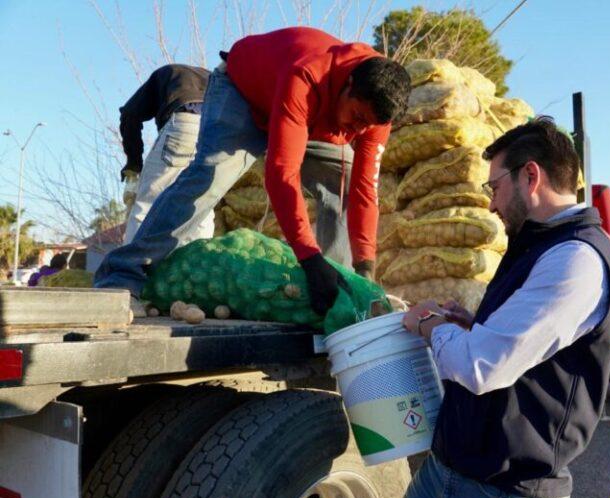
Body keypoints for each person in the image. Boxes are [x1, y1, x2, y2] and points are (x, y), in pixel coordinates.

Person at [94, 27, 410, 317]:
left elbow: (365, 191)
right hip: (243, 95)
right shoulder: (308, 74)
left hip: (312, 122)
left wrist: (365, 267)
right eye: (356, 117)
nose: (359, 130)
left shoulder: (375, 112)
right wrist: (308, 259)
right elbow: (282, 174)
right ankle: (123, 273)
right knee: (209, 178)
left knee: (344, 180)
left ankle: (335, 294)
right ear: (349, 84)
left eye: (367, 125)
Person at [399, 117, 610, 498]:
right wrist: (471, 325)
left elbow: (482, 366)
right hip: (447, 471)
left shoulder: (576, 259)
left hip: (505, 495)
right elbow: (525, 344)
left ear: (530, 176)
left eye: (494, 187)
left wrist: (426, 324)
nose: (490, 203)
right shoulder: (536, 245)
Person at [119, 64, 212, 244]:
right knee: (202, 207)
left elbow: (129, 115)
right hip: (216, 130)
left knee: (148, 204)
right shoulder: (216, 78)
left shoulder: (166, 73)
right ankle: (199, 268)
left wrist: (134, 163)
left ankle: (127, 270)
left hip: (184, 123)